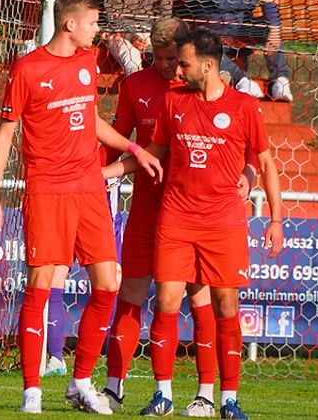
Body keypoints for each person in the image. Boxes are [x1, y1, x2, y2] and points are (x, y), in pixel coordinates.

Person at [0, 0, 162, 414]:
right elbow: (6, 132)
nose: (97, 30)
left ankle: (80, 382)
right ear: (70, 24)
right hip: (47, 189)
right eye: (93, 22)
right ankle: (31, 391)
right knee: (40, 285)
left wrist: (133, 149)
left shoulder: (86, 62)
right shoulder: (28, 69)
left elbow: (90, 119)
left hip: (88, 189)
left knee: (108, 283)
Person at [104, 28, 284, 420]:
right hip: (176, 217)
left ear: (207, 65)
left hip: (223, 222)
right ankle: (163, 395)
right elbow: (153, 151)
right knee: (167, 300)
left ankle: (225, 399)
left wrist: (275, 219)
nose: (178, 71)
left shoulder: (245, 107)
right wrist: (107, 172)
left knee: (225, 304)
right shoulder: (174, 102)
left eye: (184, 64)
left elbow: (265, 163)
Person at [201, 0, 292, 102]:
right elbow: (220, 1)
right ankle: (242, 81)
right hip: (213, 26)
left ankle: (280, 82)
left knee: (269, 30)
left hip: (241, 26)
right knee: (204, 45)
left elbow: (269, 0)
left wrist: (274, 29)